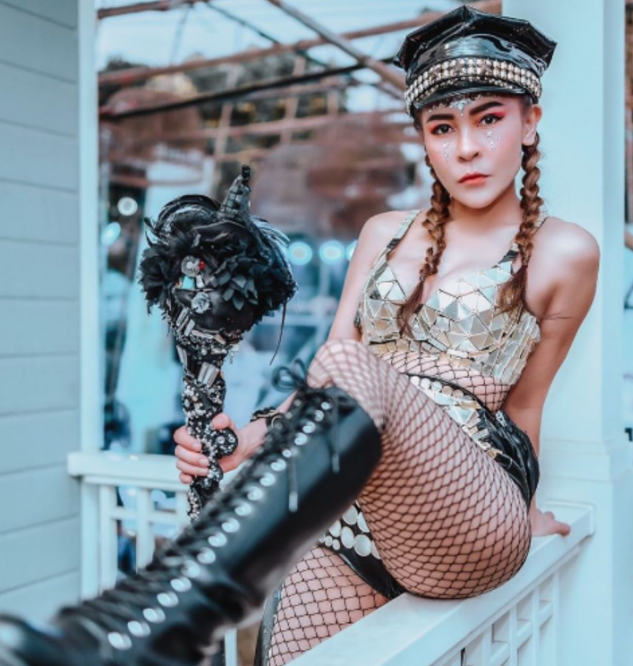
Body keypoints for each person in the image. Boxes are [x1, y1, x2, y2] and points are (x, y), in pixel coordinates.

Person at [0, 6, 599, 666]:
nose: (466, 148)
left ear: (530, 121)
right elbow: (330, 377)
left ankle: (166, 622)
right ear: (424, 141)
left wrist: (525, 509)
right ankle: (142, 627)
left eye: (489, 119)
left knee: (349, 364)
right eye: (442, 127)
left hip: (470, 513)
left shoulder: (566, 252)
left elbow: (525, 408)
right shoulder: (383, 234)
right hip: (359, 512)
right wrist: (242, 443)